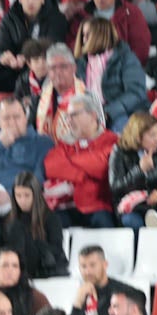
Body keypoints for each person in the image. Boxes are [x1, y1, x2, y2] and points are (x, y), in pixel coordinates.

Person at [42, 93, 119, 229]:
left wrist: (69, 160)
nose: (68, 121)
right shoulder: (65, 142)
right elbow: (50, 166)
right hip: (66, 206)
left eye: (74, 115)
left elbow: (101, 167)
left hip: (98, 206)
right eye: (67, 116)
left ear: (93, 115)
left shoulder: (111, 140)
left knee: (104, 225)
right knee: (49, 225)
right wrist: (81, 175)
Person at [0, 96, 54, 196]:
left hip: (20, 199)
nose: (12, 123)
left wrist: (12, 196)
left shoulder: (42, 143)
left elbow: (38, 180)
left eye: (17, 117)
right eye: (6, 118)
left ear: (25, 118)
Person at [66, 244, 136, 315]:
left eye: (92, 265)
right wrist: (77, 303)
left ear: (105, 265)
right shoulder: (82, 294)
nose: (88, 271)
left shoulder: (125, 293)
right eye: (83, 266)